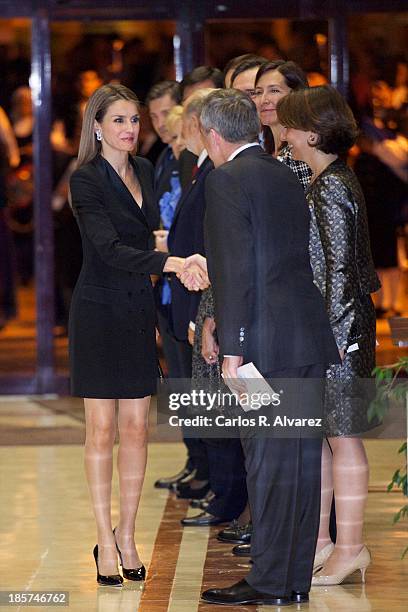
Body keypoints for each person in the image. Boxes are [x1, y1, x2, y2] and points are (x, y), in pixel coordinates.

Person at [200, 89, 339, 606]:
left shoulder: (226, 180)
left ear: (213, 135)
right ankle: (290, 579)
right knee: (299, 464)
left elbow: (236, 270)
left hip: (263, 345)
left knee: (268, 464)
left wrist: (233, 348)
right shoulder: (285, 171)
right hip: (303, 336)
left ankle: (269, 580)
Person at [68, 83, 208, 587]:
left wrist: (188, 257)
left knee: (136, 428)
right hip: (99, 310)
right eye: (121, 120)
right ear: (98, 126)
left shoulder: (146, 169)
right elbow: (106, 249)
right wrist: (172, 262)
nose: (131, 129)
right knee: (101, 430)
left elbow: (151, 234)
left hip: (137, 310)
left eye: (135, 120)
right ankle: (104, 539)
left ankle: (127, 534)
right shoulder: (85, 180)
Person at [277, 85, 381, 586]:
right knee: (325, 439)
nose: (286, 134)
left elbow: (340, 270)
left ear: (313, 133)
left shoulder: (335, 184)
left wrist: (335, 335)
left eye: (292, 125)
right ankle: (322, 543)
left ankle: (351, 547)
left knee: (344, 438)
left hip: (340, 331)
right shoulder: (323, 179)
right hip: (326, 330)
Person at [253, 60, 312, 187]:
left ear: (296, 95)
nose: (263, 100)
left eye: (274, 91)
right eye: (258, 92)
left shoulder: (300, 155)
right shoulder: (262, 149)